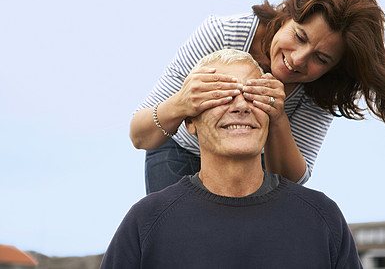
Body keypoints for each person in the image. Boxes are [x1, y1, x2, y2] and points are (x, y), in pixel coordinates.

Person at [130, 0, 385, 193]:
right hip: (182, 151)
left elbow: (289, 186)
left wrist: (278, 118)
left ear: (334, 69)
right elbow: (139, 136)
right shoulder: (222, 33)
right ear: (287, 13)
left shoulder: (323, 88)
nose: (297, 60)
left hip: (255, 165)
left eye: (320, 58)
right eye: (299, 36)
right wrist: (181, 104)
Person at [101, 50, 362, 268]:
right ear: (190, 121)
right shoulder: (146, 221)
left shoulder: (322, 218)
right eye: (221, 95)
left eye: (253, 95)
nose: (240, 106)